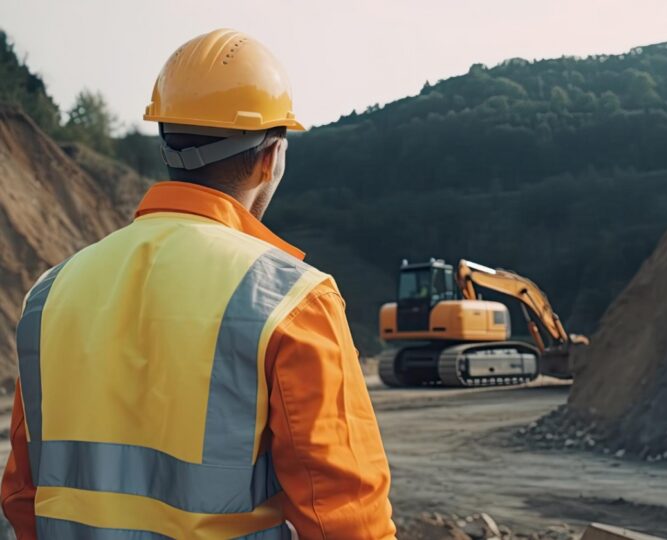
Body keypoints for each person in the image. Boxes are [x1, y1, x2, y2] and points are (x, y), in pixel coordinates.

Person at [1, 28, 396, 539]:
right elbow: (346, 519)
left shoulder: (49, 296)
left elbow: (21, 497)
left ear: (166, 143)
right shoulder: (294, 302)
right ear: (270, 157)